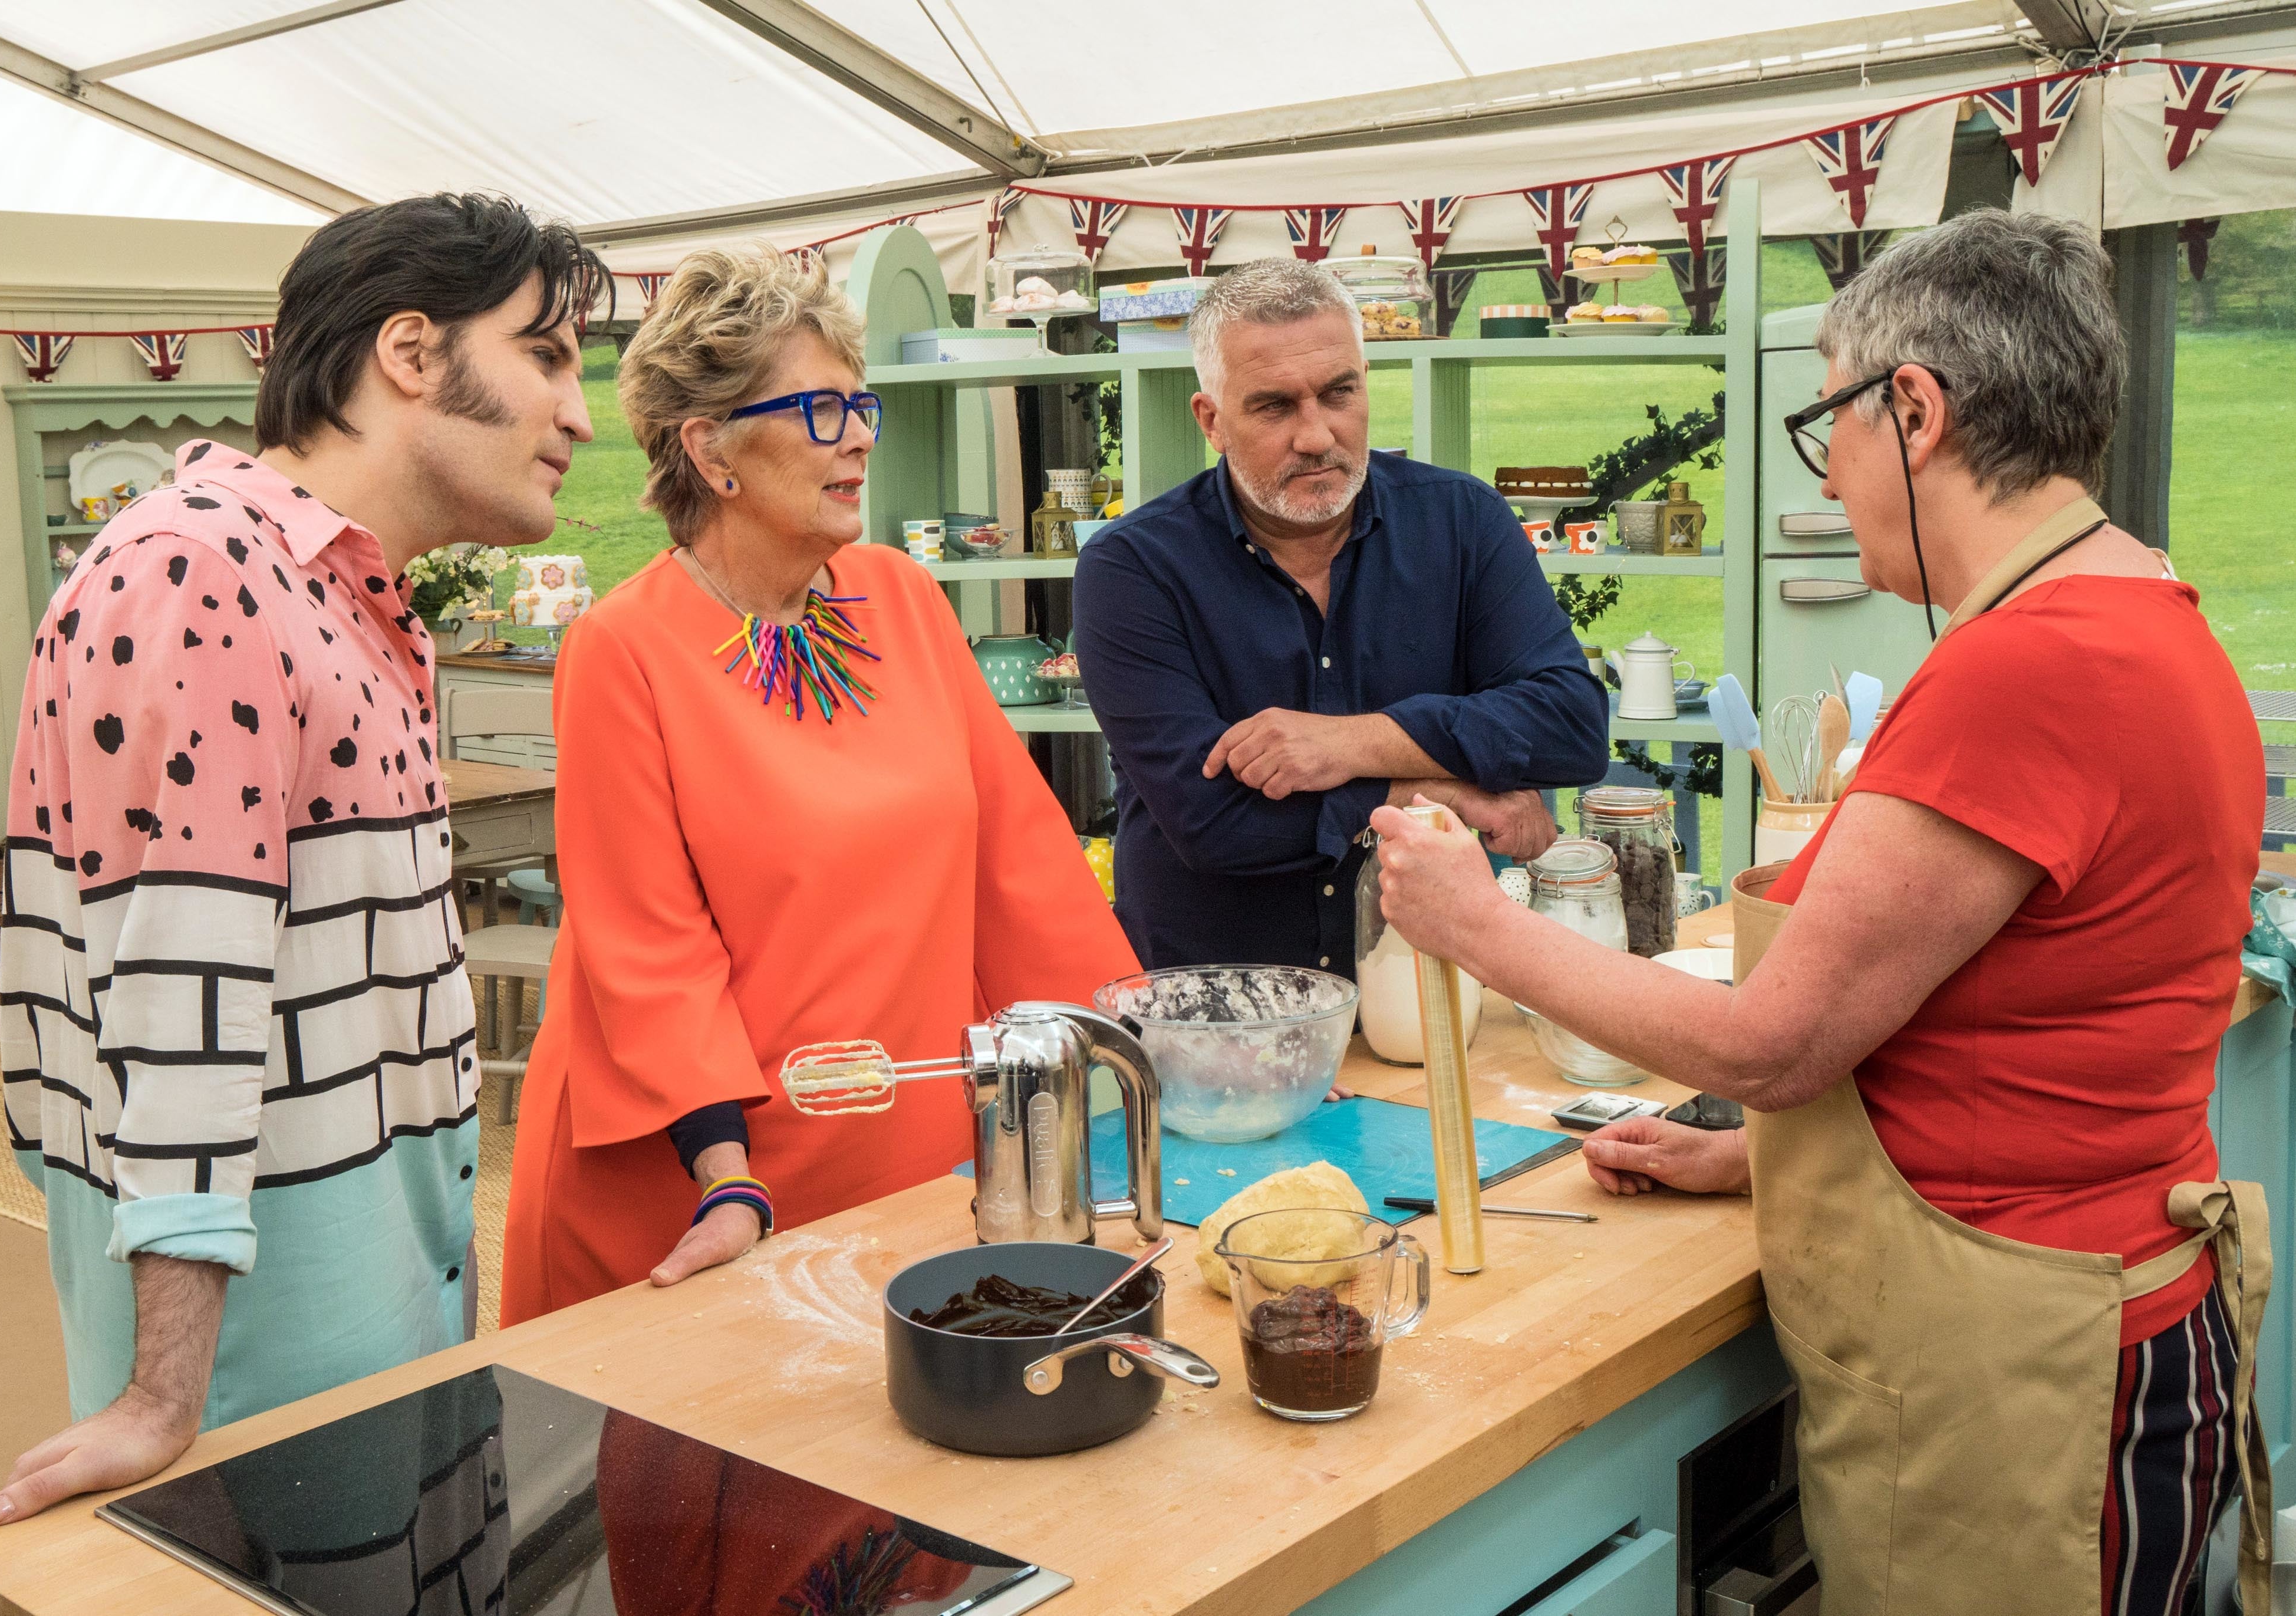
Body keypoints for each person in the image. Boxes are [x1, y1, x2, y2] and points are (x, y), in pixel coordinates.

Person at [1368, 210, 2267, 1616]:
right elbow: (2000, 1015)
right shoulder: (2138, 604)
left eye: (1825, 423)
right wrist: (1766, 1163)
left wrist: (1475, 923)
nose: (1830, 474)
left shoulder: (2025, 669)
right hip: (2091, 1305)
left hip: (2022, 1363)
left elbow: (1776, 1043)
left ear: (1913, 409)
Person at [0, 193, 610, 1525]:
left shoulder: (337, 590)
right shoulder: (197, 571)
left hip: (384, 1307)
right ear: (408, 351)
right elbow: (179, 1000)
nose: (582, 414)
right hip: (259, 1364)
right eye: (547, 355)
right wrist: (164, 1392)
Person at [499, 245, 1135, 1322]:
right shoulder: (624, 651)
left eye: (862, 408)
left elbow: (1019, 862)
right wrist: (725, 1174)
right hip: (704, 1180)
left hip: (905, 1149)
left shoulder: (899, 596)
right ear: (710, 449)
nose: (858, 445)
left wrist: (1141, 1057)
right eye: (819, 412)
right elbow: (647, 947)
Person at [1072, 257, 1606, 976]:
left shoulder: (1460, 521)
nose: (1317, 435)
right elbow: (1212, 823)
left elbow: (1571, 726)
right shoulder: (1133, 568)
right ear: (1212, 420)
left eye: (1337, 393)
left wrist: (1352, 744)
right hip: (1215, 1013)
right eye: (1274, 406)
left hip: (1426, 986)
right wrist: (1443, 790)